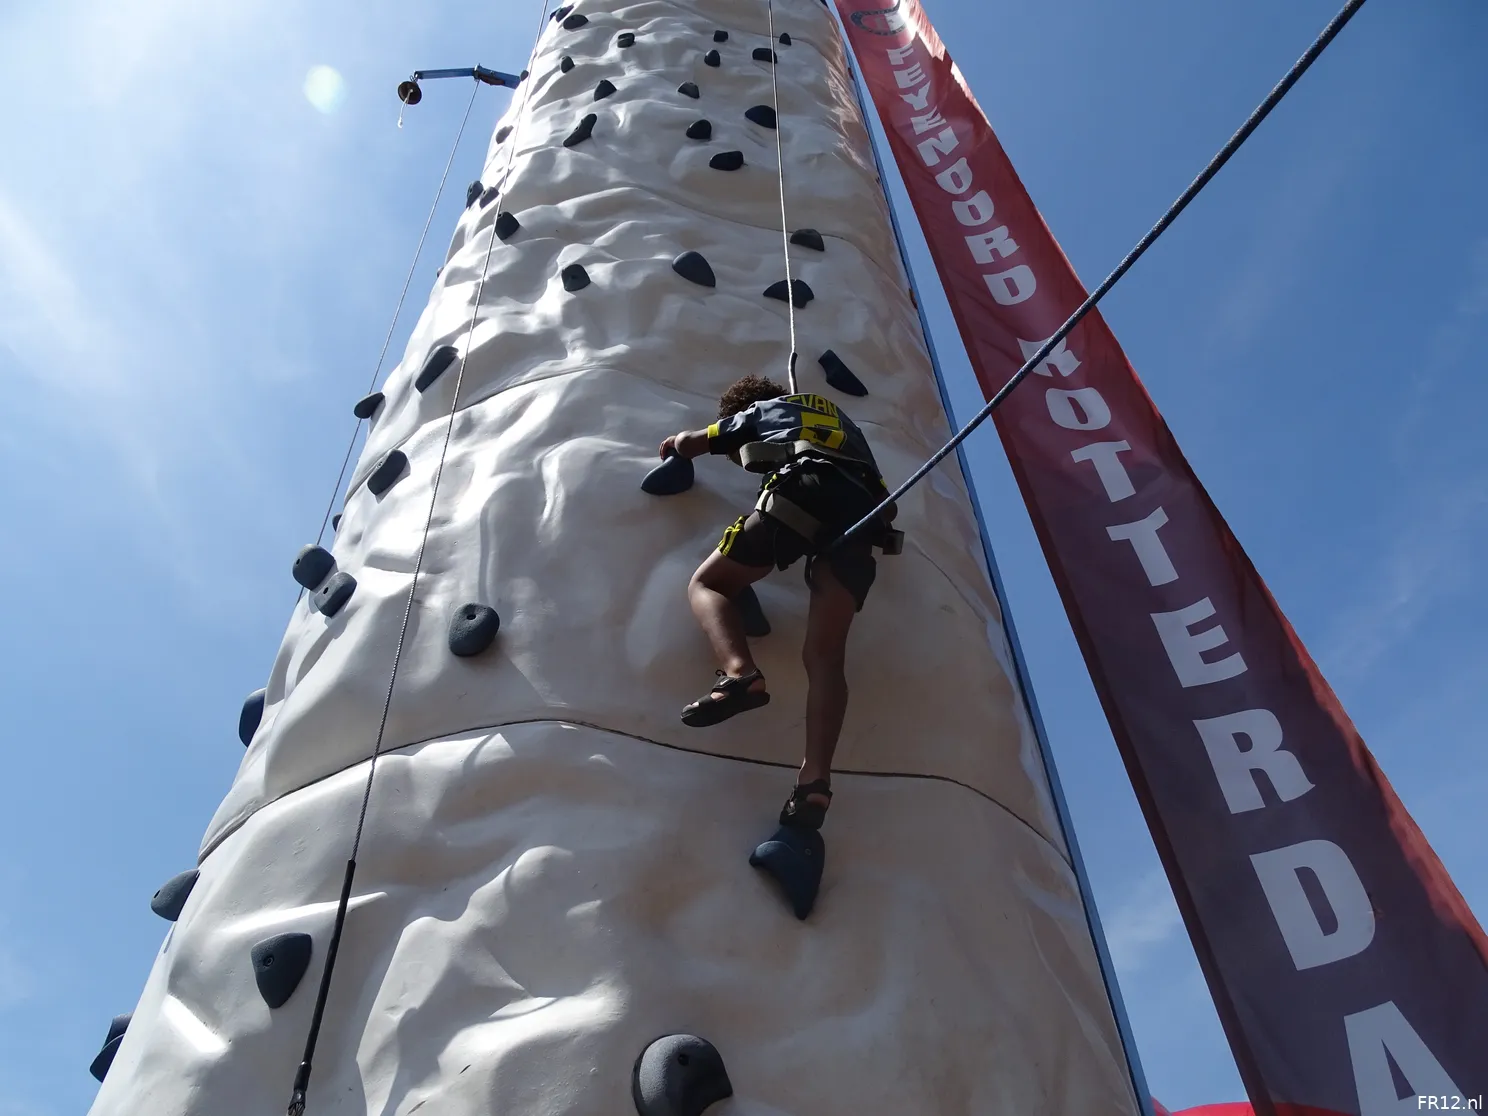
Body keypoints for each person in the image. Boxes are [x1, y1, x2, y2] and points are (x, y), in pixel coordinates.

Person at [658, 374, 897, 832]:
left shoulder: (789, 406)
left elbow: (742, 426)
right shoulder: (855, 439)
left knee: (707, 585)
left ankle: (739, 674)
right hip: (861, 526)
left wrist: (684, 443)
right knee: (825, 658)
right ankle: (815, 782)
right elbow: (887, 506)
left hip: (805, 490)